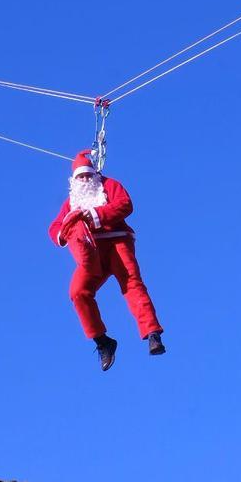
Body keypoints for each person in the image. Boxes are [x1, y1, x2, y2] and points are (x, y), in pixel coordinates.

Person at [49, 149, 165, 372]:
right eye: (80, 177)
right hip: (92, 252)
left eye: (87, 175)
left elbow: (125, 204)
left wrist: (95, 214)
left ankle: (152, 333)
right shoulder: (71, 202)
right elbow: (55, 227)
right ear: (74, 180)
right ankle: (103, 341)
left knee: (131, 284)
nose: (84, 180)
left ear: (94, 174)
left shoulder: (109, 185)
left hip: (117, 242)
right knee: (78, 291)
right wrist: (66, 231)